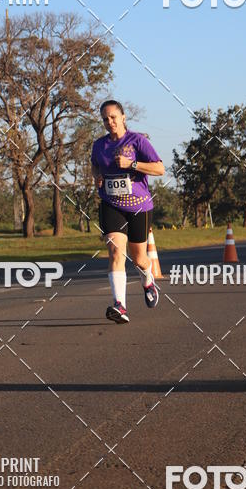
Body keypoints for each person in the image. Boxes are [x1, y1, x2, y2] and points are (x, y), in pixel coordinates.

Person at [91, 100, 165, 323]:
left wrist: (132, 164)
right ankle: (120, 306)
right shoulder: (99, 145)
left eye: (113, 117)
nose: (109, 122)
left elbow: (160, 168)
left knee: (139, 259)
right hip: (111, 204)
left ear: (123, 117)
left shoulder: (137, 141)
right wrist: (97, 176)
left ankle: (148, 281)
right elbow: (95, 164)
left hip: (139, 206)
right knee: (116, 252)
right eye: (105, 119)